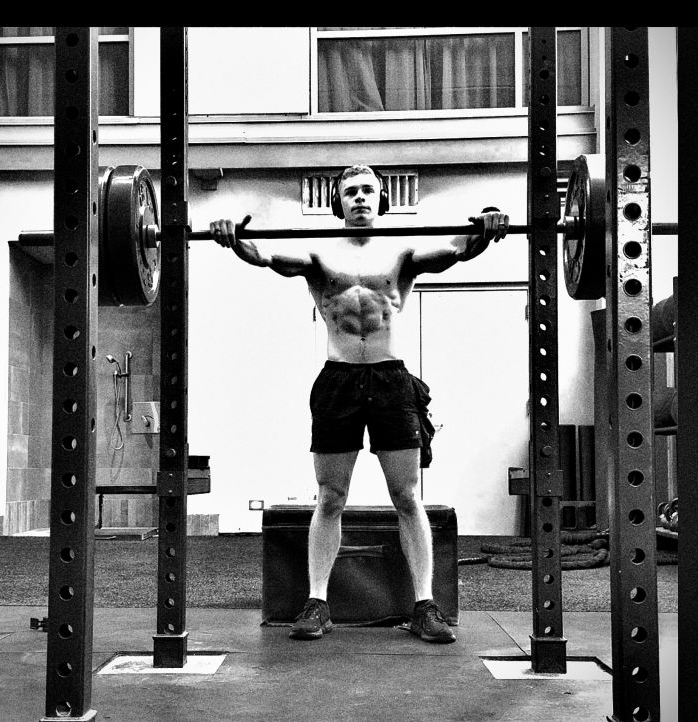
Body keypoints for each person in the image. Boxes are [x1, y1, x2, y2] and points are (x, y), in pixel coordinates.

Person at [209, 165, 508, 643]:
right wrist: (231, 237)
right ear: (339, 202)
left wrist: (487, 227)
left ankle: (424, 606)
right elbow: (263, 256)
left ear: (381, 196)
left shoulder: (403, 251)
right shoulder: (317, 253)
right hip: (338, 382)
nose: (360, 198)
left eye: (368, 190)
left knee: (407, 496)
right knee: (330, 497)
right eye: (351, 192)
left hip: (392, 381)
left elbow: (456, 250)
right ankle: (317, 602)